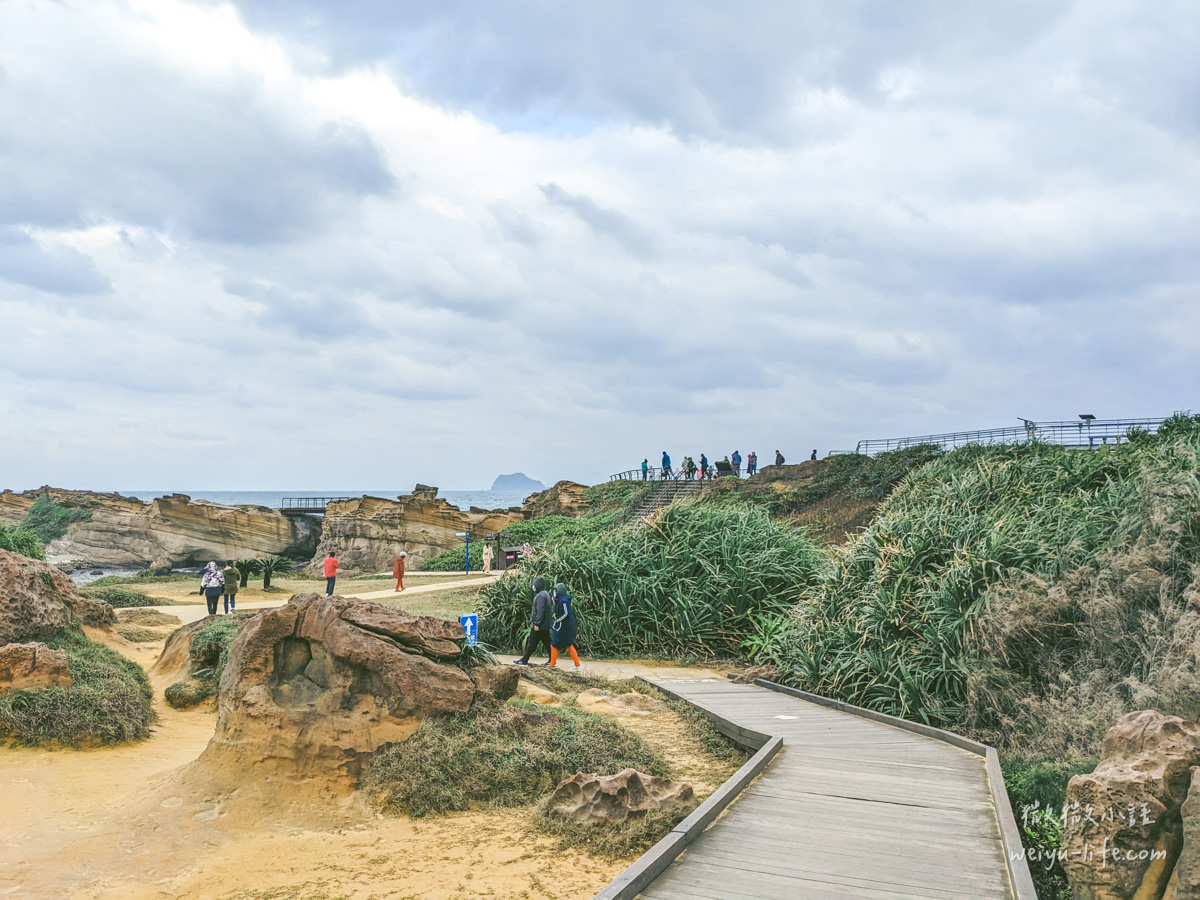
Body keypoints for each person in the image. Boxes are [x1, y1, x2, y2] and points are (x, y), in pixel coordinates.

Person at [513, 576, 553, 666]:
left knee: (531, 643)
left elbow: (540, 611)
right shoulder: (546, 594)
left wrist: (536, 623)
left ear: (537, 586)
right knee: (547, 643)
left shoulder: (540, 596)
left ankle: (524, 660)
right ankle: (552, 660)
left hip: (539, 626)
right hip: (545, 625)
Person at [549, 583, 580, 669]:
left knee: (555, 644)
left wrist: (557, 620)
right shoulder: (561, 600)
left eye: (555, 591)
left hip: (564, 627)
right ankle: (576, 664)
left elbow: (565, 613)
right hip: (563, 626)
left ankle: (552, 665)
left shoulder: (563, 601)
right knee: (567, 645)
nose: (554, 593)